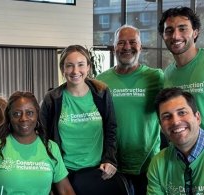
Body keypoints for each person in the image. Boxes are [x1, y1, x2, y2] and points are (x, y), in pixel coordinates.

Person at [40, 45, 129, 195]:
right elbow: (43, 137)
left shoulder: (102, 93)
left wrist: (110, 160)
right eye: (69, 65)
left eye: (81, 65)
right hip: (65, 174)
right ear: (63, 69)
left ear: (88, 67)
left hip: (98, 172)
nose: (75, 71)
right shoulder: (52, 99)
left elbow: (111, 129)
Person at [96, 25, 164, 195]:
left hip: (149, 166)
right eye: (121, 43)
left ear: (141, 46)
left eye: (133, 42)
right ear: (113, 48)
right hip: (112, 165)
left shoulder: (156, 77)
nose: (127, 47)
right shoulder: (100, 81)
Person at [0, 91, 75, 195]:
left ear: (37, 115)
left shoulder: (51, 147)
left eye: (29, 113)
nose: (23, 118)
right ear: (9, 117)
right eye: (17, 114)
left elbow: (65, 190)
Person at [147, 87, 204, 194]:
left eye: (182, 112)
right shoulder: (158, 164)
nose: (175, 122)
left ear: (197, 118)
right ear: (161, 126)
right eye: (167, 117)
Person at [158, 6, 204, 131]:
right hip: (183, 148)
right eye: (169, 30)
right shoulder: (167, 74)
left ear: (195, 32)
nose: (175, 36)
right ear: (163, 36)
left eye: (182, 29)